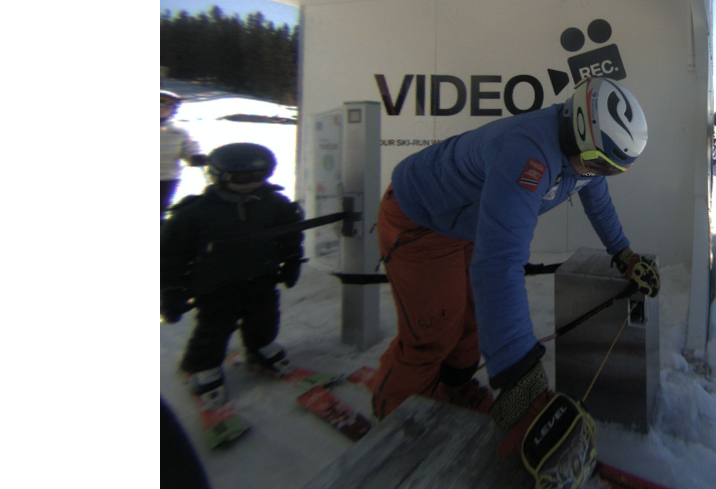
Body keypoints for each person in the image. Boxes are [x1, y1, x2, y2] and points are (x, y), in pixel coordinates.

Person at [372, 77, 660, 489]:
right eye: (599, 163)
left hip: (465, 222)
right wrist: (521, 383)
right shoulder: (529, 153)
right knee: (434, 330)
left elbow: (597, 197)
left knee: (472, 323)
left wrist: (624, 255)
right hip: (418, 218)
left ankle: (452, 390)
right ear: (578, 130)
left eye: (613, 170)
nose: (600, 173)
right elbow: (499, 265)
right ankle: (396, 422)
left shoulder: (586, 154)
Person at [159, 143, 305, 412]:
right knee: (214, 327)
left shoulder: (274, 203)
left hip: (261, 275)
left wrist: (292, 259)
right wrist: (171, 289)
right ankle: (201, 366)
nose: (251, 184)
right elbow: (170, 254)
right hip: (215, 284)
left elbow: (290, 234)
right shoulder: (193, 213)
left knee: (264, 316)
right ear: (218, 176)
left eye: (259, 176)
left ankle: (259, 347)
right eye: (241, 178)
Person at [160, 90, 207, 223]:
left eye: (166, 108)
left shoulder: (178, 130)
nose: (162, 110)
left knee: (162, 206)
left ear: (173, 110)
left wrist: (194, 156)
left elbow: (189, 147)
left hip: (167, 177)